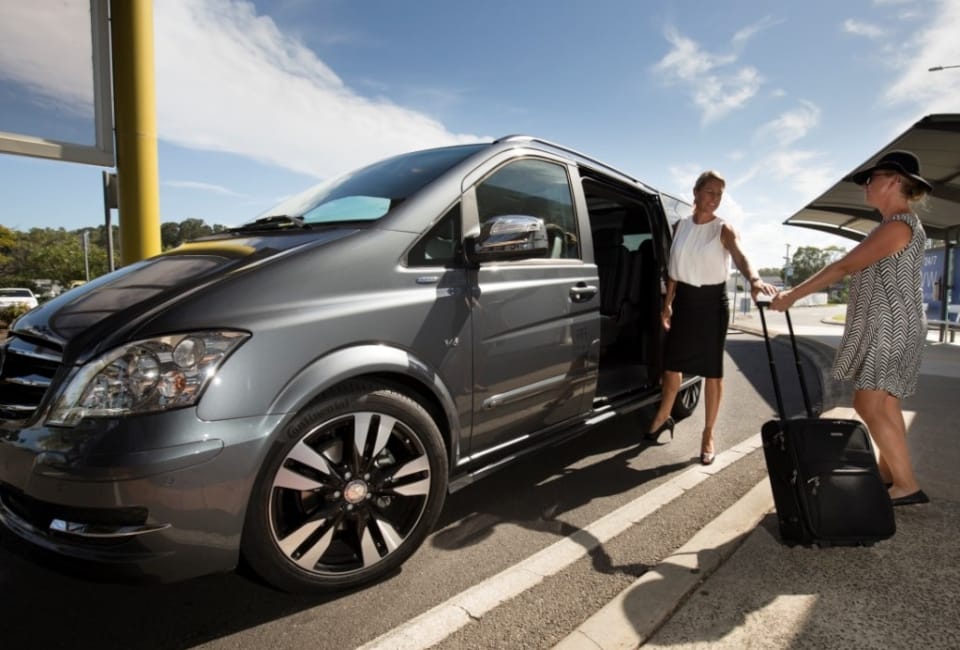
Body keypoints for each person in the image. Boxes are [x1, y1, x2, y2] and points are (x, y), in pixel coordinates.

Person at [770, 150, 932, 507]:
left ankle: (906, 484)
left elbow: (843, 267)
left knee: (868, 403)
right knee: (887, 406)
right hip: (894, 324)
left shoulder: (898, 225)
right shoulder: (901, 223)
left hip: (890, 326)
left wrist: (792, 296)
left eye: (871, 179)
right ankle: (890, 476)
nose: (866, 186)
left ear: (894, 180)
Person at [645, 170, 776, 464]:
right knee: (672, 363)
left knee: (712, 371)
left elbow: (741, 256)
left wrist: (754, 280)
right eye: (710, 192)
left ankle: (708, 434)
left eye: (719, 194)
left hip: (711, 304)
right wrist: (668, 303)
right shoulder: (680, 227)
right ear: (696, 192)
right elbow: (674, 269)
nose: (715, 199)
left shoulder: (723, 228)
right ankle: (664, 414)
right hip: (685, 302)